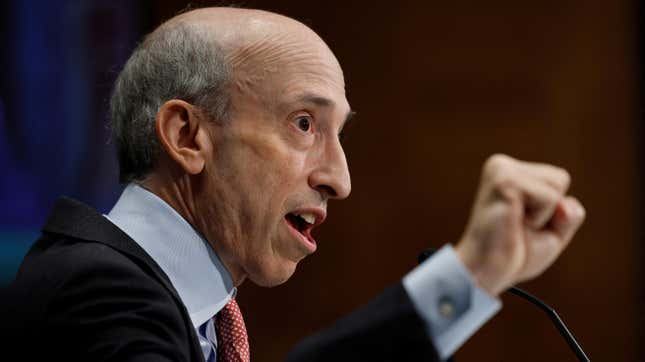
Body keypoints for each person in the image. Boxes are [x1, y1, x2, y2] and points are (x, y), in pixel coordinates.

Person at [1, 7, 585, 362]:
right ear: (187, 135)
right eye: (304, 124)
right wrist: (469, 276)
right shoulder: (97, 292)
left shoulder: (166, 306)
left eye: (340, 135)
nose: (340, 179)